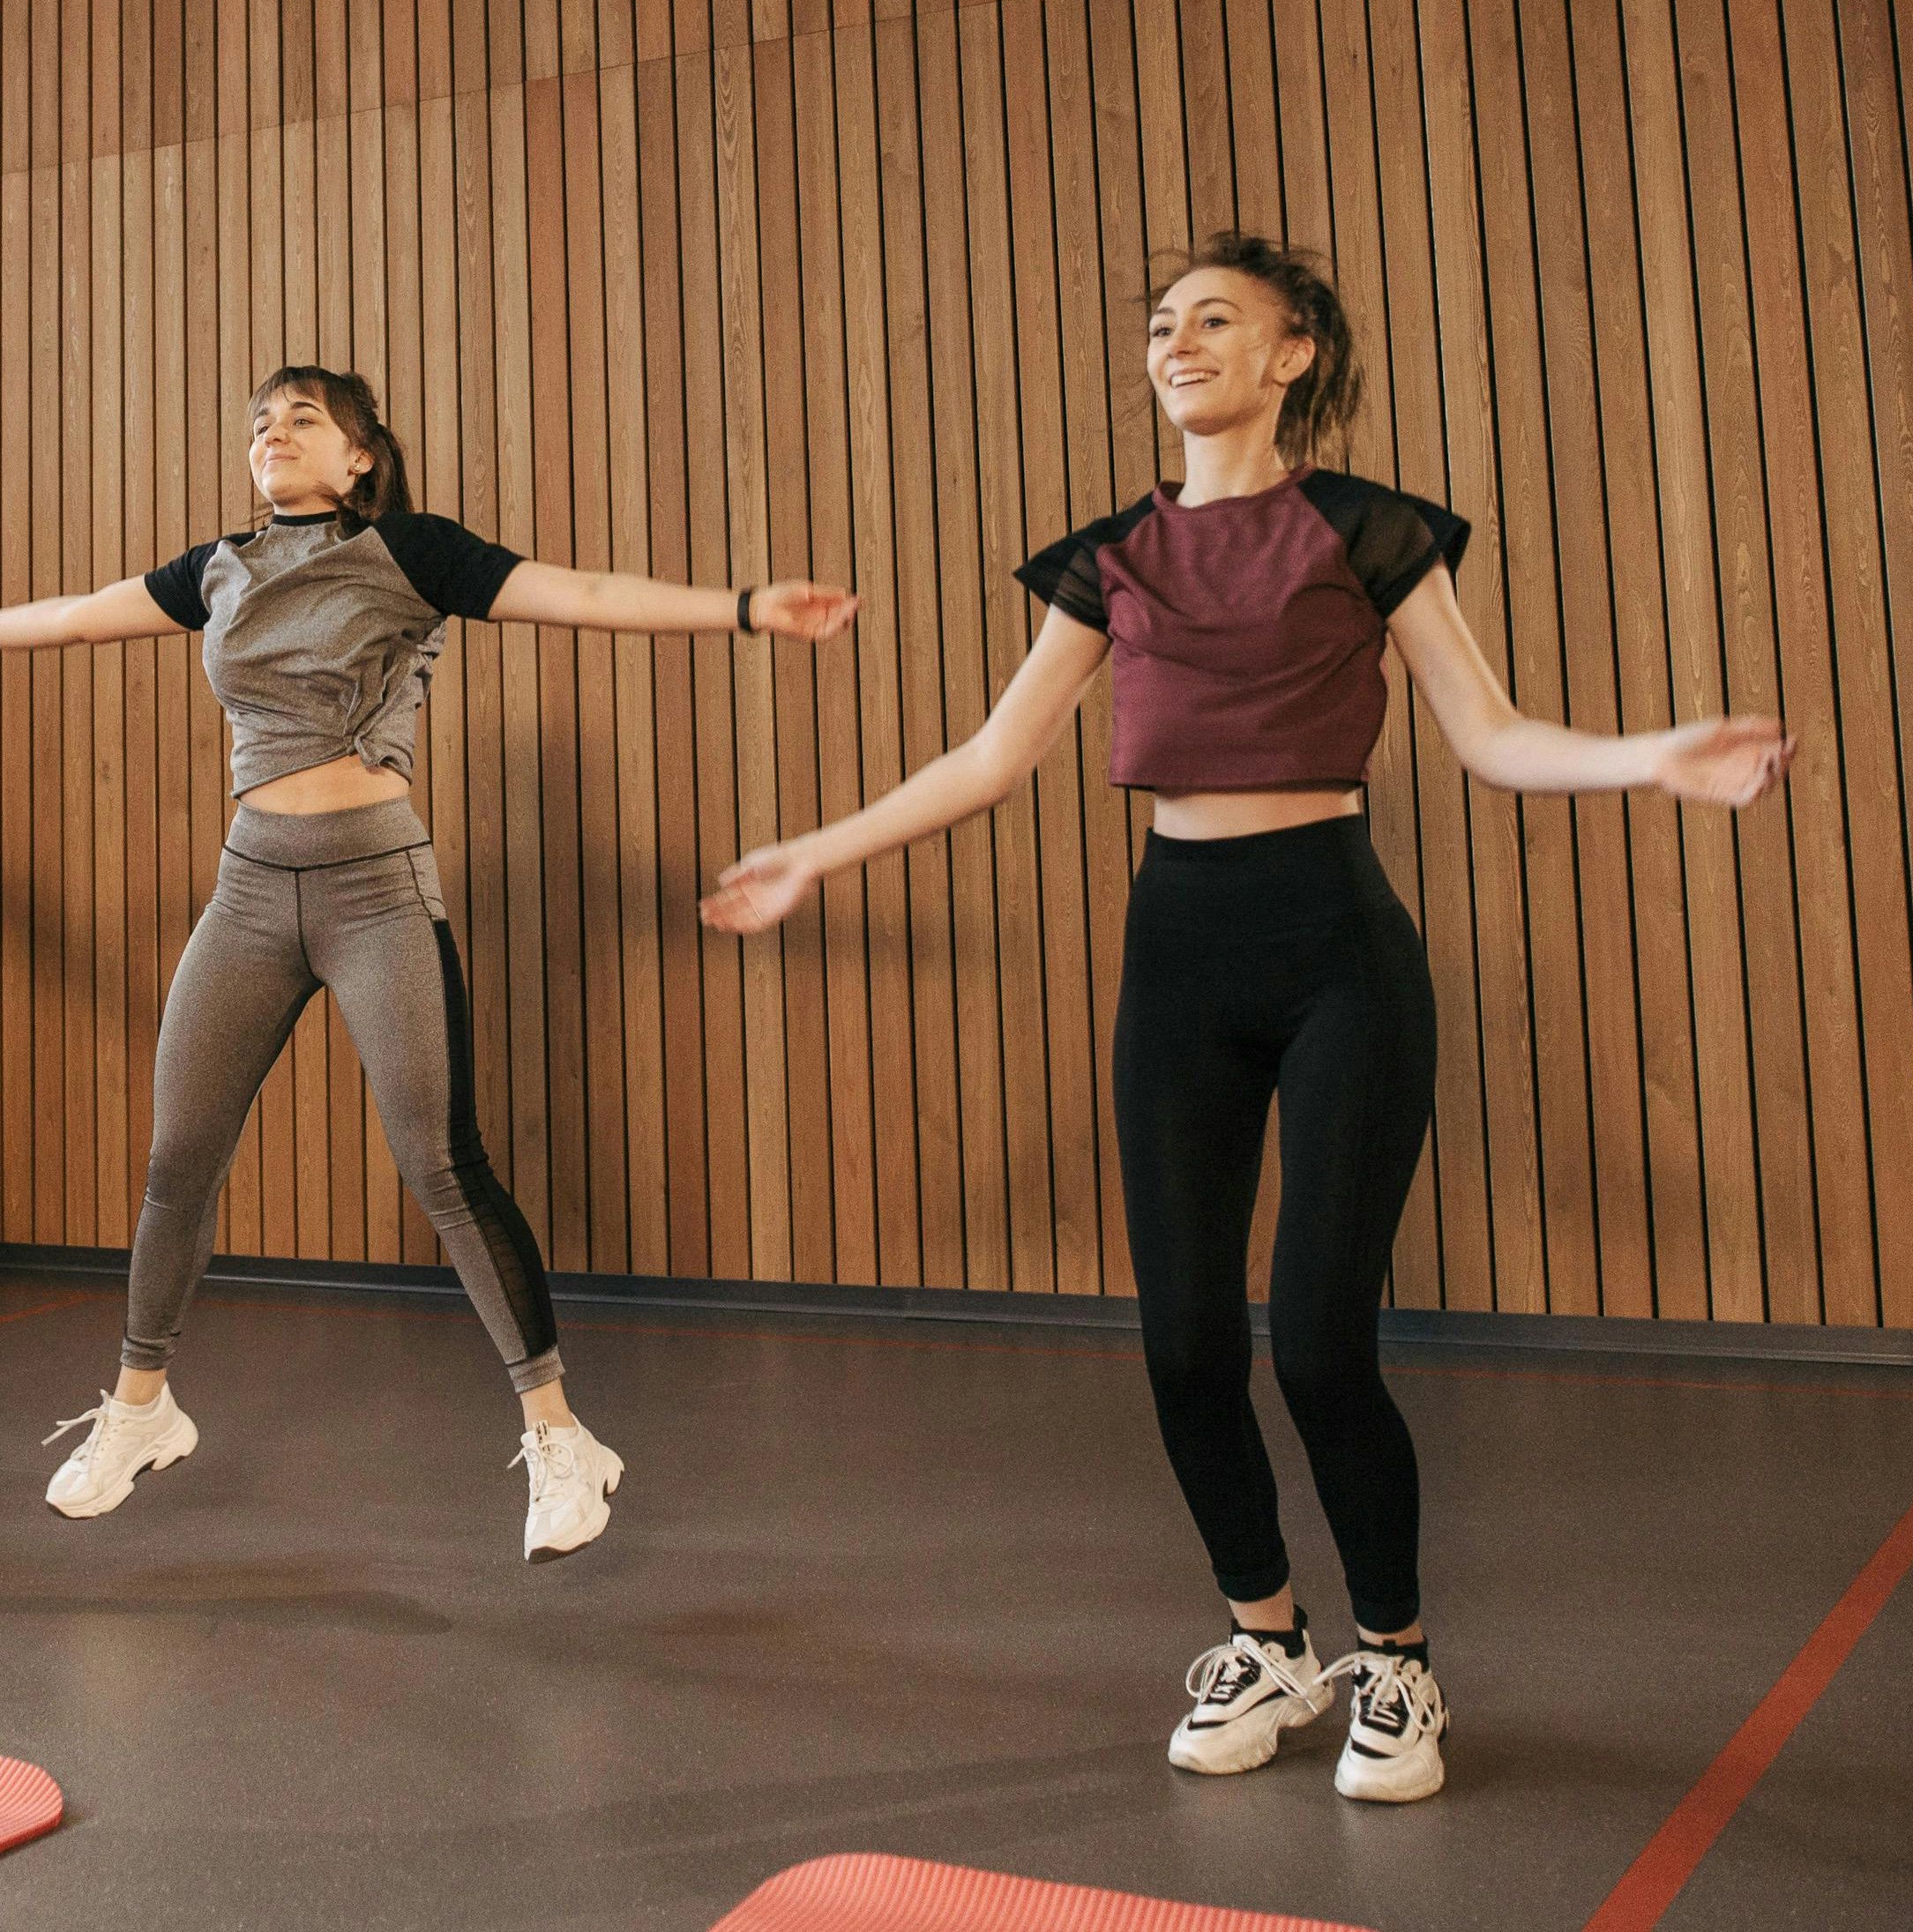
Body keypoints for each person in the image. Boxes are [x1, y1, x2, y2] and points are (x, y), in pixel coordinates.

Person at [703, 231, 1789, 1800]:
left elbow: (1484, 738)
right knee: (1181, 1343)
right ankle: (1267, 1636)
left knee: (1320, 1343)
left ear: (1289, 355)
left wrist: (1650, 755)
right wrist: (812, 847)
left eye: (1215, 317)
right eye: (1158, 322)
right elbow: (988, 758)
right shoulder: (1108, 556)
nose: (1176, 338)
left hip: (1334, 943)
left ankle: (1396, 1662)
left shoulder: (1365, 527)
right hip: (1178, 949)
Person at [0, 364, 856, 1561]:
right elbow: (84, 611)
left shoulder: (411, 551)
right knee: (175, 1157)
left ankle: (560, 1436)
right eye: (258, 422)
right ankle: (141, 1409)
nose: (271, 434)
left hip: (371, 890)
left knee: (441, 1165)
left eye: (302, 418)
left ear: (358, 457)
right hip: (248, 891)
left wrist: (747, 607)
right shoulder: (218, 569)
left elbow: (581, 592)